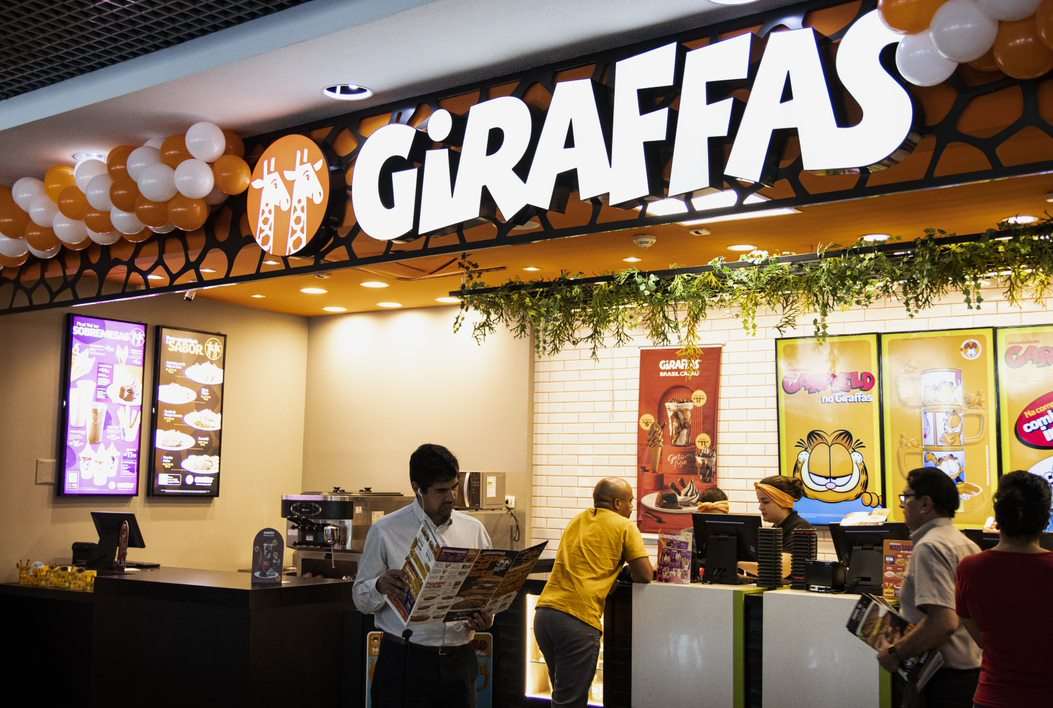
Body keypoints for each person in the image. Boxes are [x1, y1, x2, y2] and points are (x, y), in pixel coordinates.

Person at [353, 444, 492, 708]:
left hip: (459, 661)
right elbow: (360, 599)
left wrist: (486, 617)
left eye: (453, 487)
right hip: (405, 660)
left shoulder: (474, 530)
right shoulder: (385, 530)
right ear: (417, 488)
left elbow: (486, 596)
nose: (450, 497)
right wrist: (380, 586)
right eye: (441, 491)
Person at [533, 478, 654, 708]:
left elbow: (587, 564)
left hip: (545, 615)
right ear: (617, 503)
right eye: (630, 501)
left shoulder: (577, 520)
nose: (631, 507)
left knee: (561, 696)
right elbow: (644, 574)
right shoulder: (624, 526)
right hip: (577, 620)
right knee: (570, 702)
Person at [877, 468, 980, 708]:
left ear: (925, 504)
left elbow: (943, 622)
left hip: (941, 681)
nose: (902, 505)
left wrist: (896, 653)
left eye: (906, 497)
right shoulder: (965, 543)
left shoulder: (929, 547)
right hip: (970, 675)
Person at [956, 471, 1053, 708]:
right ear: (1044, 519)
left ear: (998, 516)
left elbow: (980, 636)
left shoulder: (971, 568)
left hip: (992, 697)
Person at [755, 475, 812, 551]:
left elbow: (785, 558)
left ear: (783, 502)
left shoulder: (801, 530)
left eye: (765, 502)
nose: (760, 507)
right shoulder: (777, 528)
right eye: (760, 502)